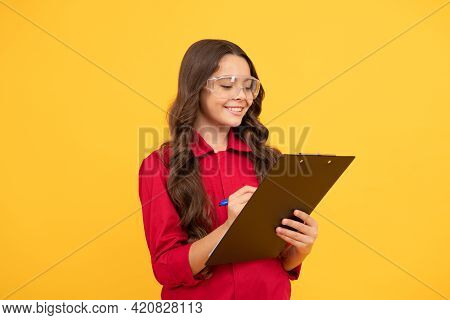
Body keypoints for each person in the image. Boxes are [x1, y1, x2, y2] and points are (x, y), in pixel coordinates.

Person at [138, 39, 318, 300]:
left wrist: (301, 249)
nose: (242, 97)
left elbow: (280, 261)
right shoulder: (160, 166)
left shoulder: (270, 161)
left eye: (248, 87)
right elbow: (166, 268)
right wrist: (228, 231)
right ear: (196, 87)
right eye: (226, 85)